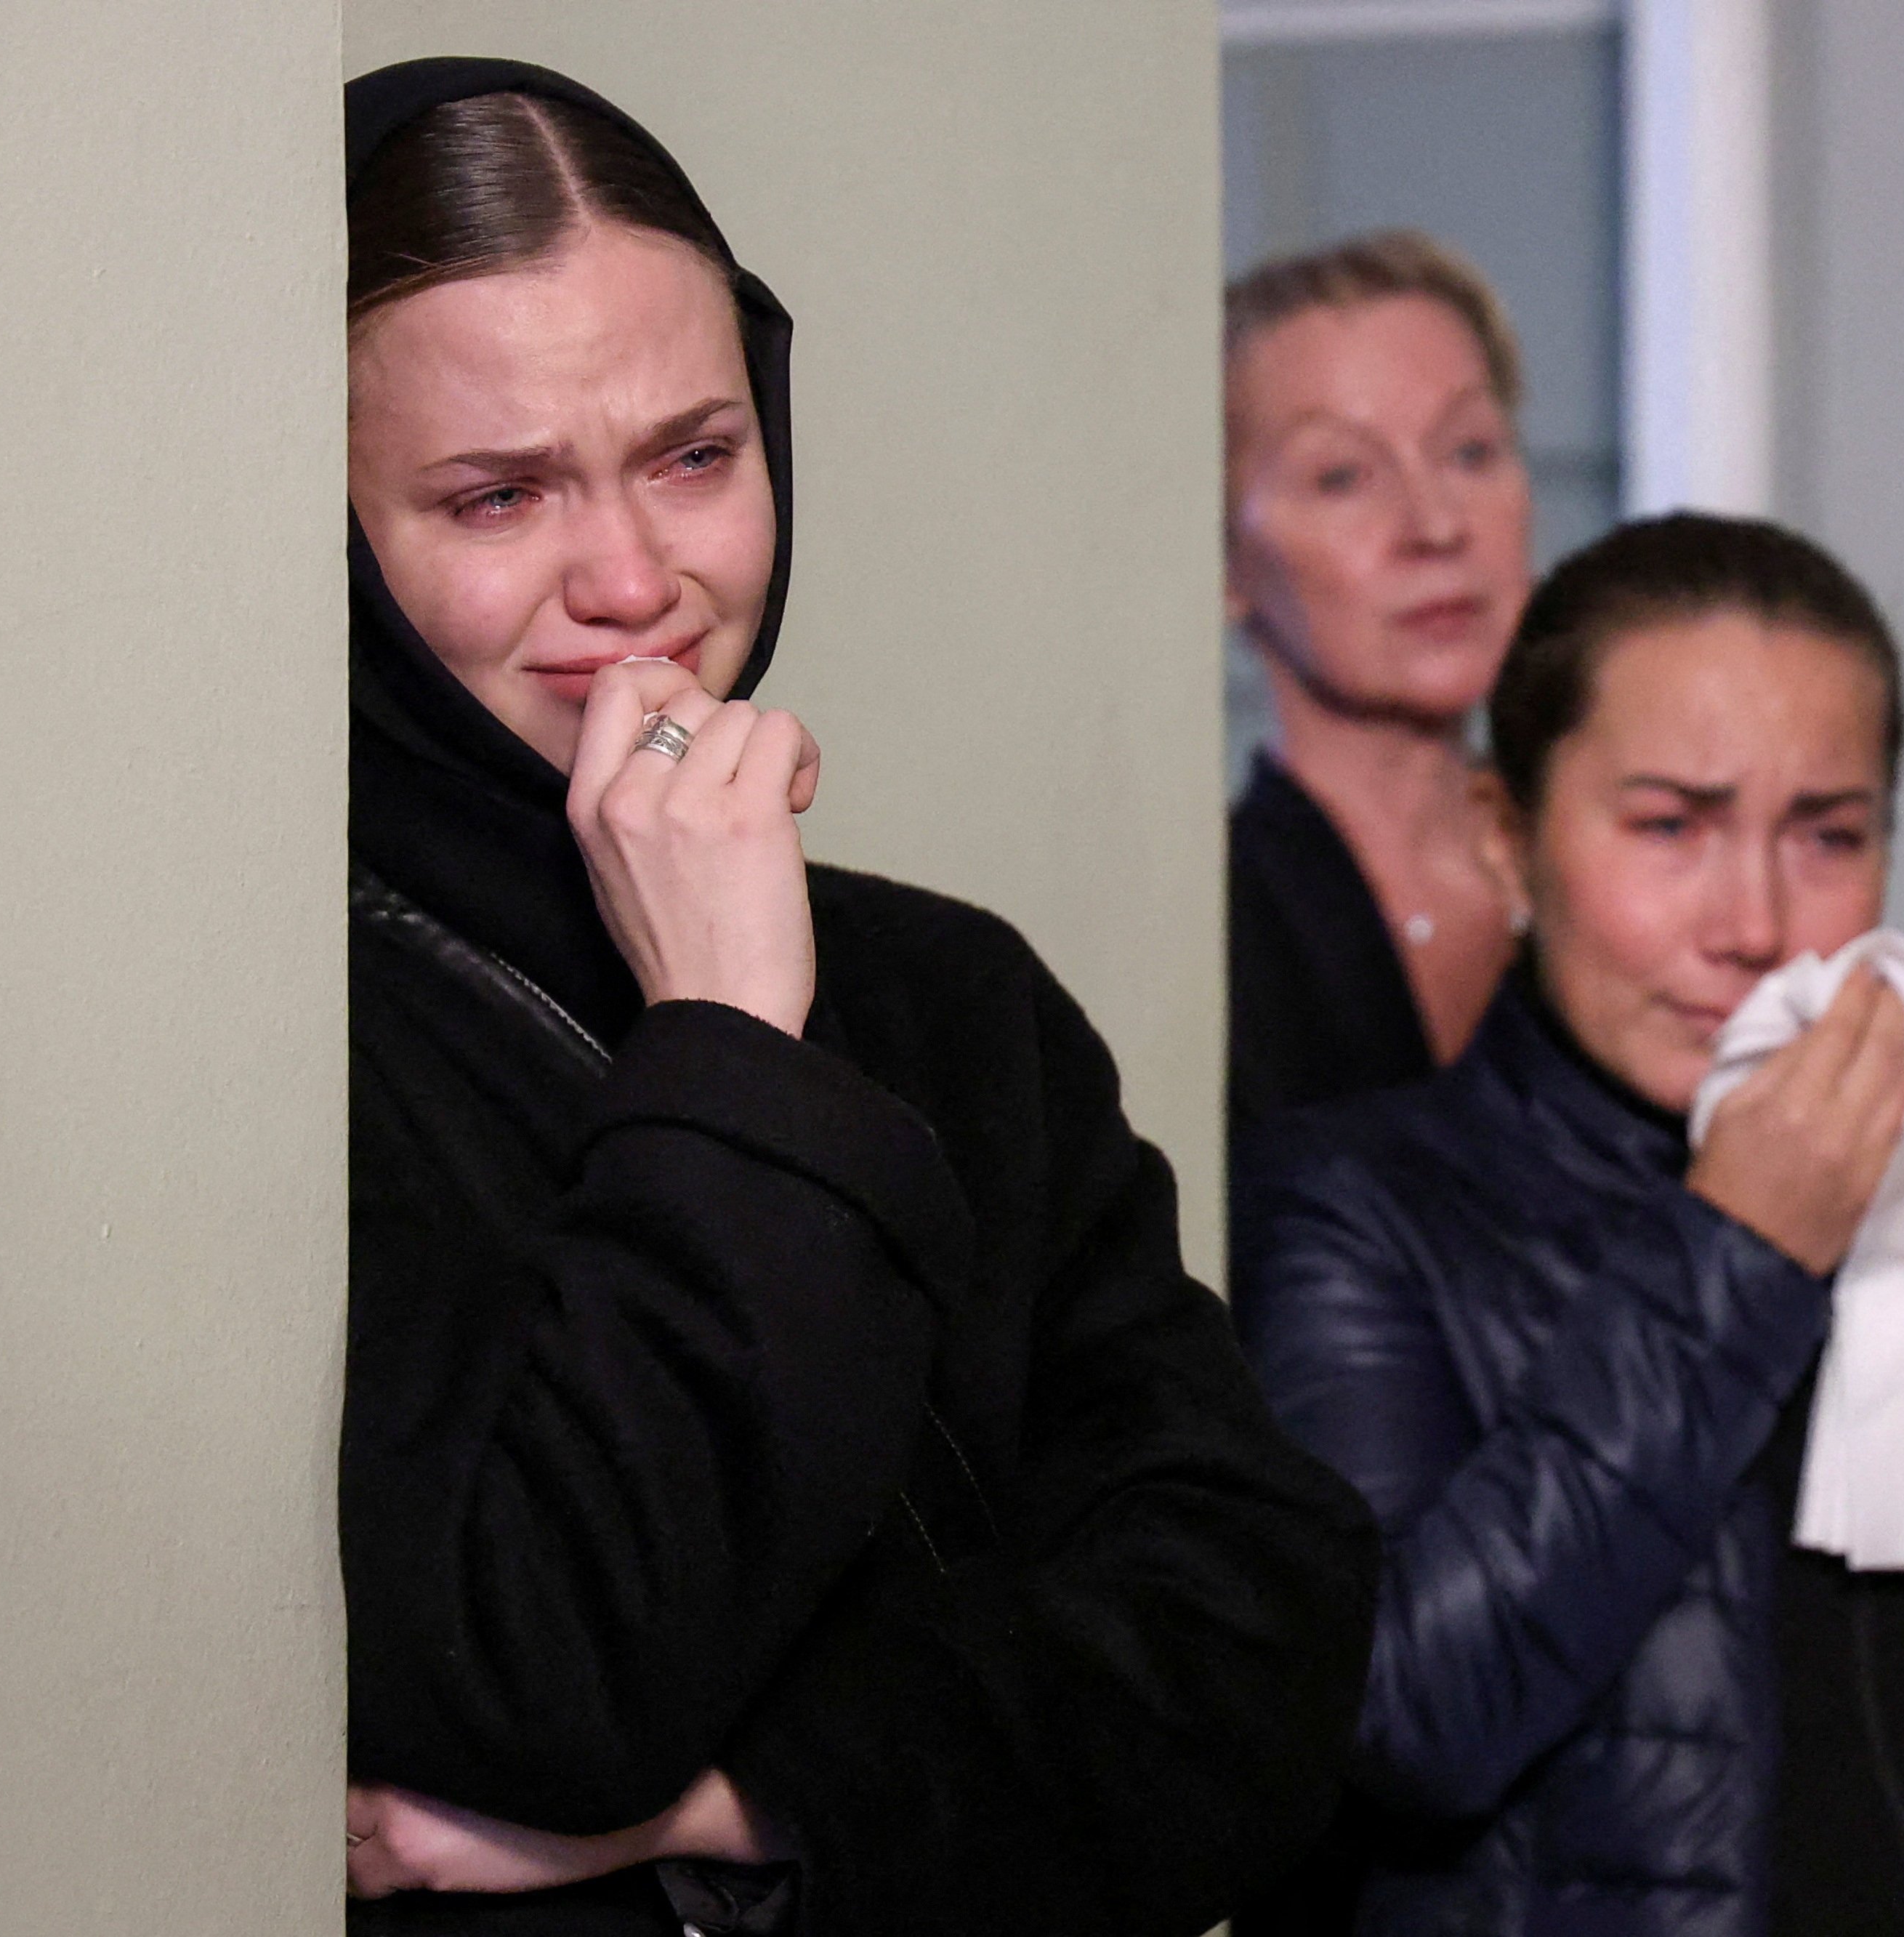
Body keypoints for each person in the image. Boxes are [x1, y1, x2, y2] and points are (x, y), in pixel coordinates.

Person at [338, 58, 1377, 1937]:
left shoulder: (949, 999)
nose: (635, 581)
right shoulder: (288, 1054)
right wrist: (726, 1039)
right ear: (324, 537)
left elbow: (1261, 1650)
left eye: (692, 455)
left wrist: (743, 1797)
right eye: (497, 497)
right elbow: (545, 1680)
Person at [1232, 512, 1904, 1936]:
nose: (1752, 920)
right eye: (1668, 827)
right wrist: (1735, 1255)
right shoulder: (1358, 1206)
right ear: (1505, 841)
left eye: (1825, 835)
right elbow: (1391, 1729)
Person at [1225, 232, 1536, 1135]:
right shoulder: (1209, 933)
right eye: (1341, 476)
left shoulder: (1624, 888)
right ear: (1224, 561)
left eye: (1470, 452)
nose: (1435, 524)